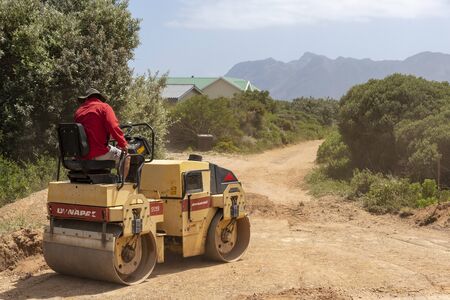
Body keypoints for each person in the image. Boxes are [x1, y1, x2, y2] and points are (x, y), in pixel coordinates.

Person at [74, 88, 130, 179]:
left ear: (86, 99)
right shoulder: (104, 107)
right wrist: (123, 144)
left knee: (112, 150)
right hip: (98, 153)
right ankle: (121, 185)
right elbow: (113, 126)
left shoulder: (78, 112)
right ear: (99, 98)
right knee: (126, 157)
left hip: (81, 155)